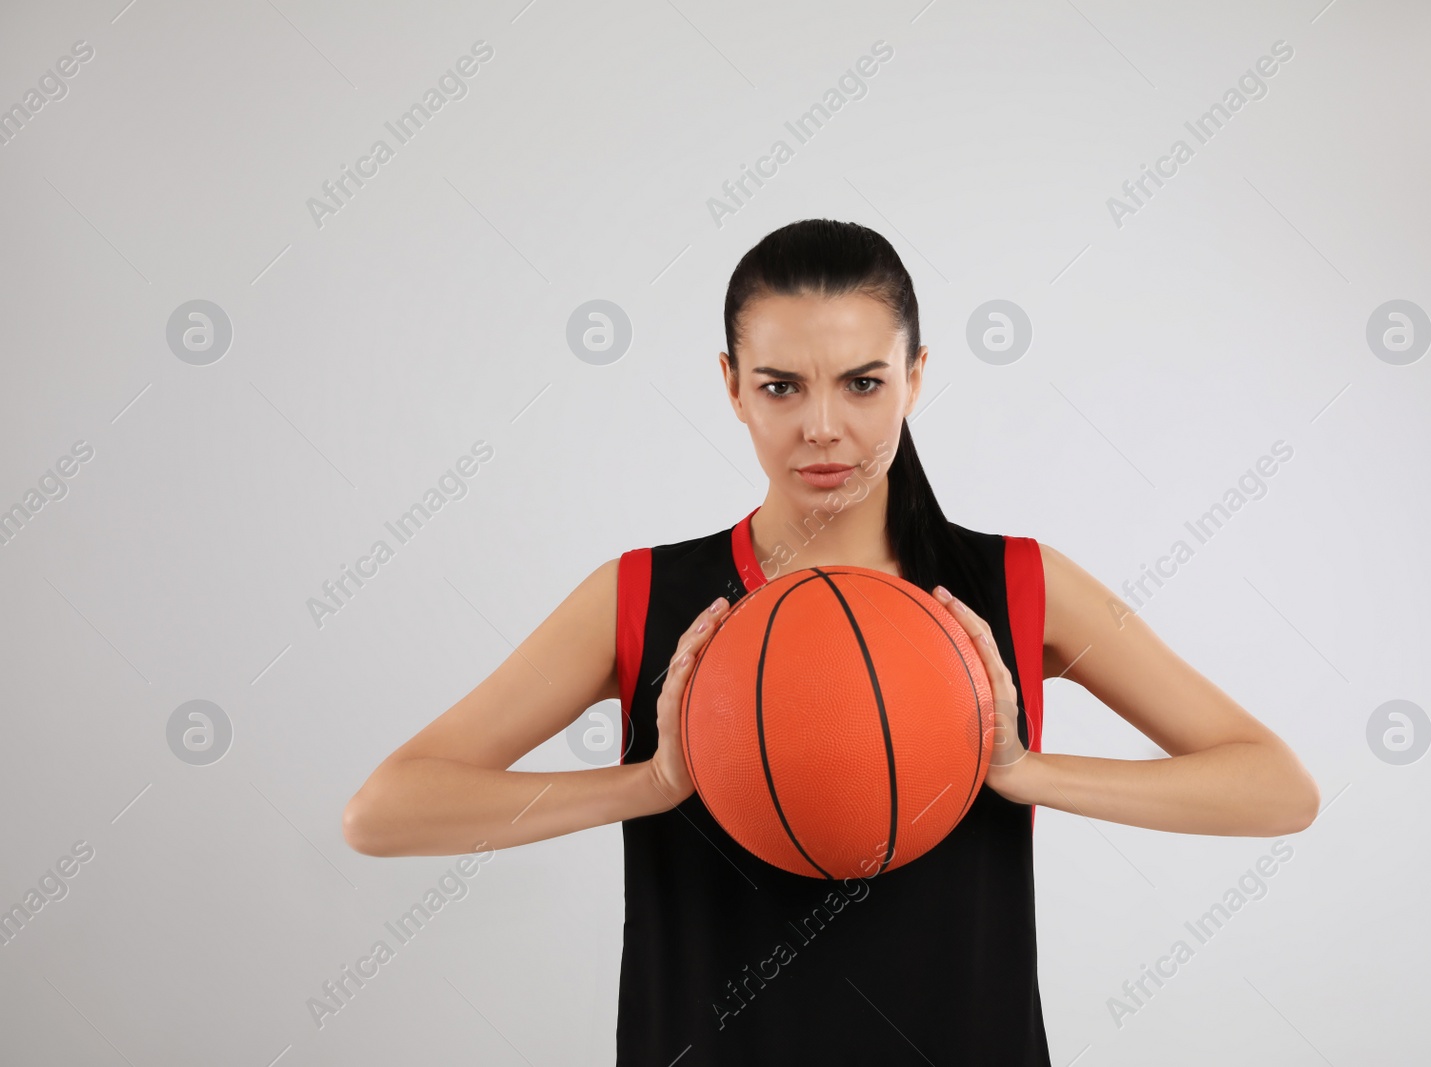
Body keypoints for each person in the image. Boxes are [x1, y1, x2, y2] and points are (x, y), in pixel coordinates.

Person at [342, 218, 1320, 1064]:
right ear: (729, 386)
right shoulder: (642, 595)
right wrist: (644, 783)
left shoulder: (1015, 586)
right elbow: (383, 812)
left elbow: (1275, 785)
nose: (822, 426)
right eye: (778, 386)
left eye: (862, 382)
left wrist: (1024, 770)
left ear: (917, 376)